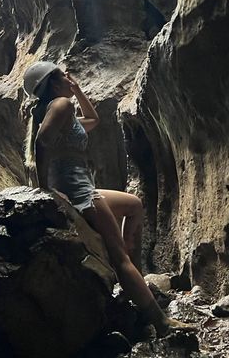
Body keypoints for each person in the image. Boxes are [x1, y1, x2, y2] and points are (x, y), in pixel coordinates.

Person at [23, 61, 194, 336]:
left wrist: (78, 91)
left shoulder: (60, 109)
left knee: (133, 205)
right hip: (78, 191)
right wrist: (45, 191)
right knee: (119, 256)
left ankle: (134, 280)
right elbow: (41, 142)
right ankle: (160, 322)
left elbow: (93, 121)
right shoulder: (60, 106)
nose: (70, 78)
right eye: (64, 77)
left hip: (81, 187)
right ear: (53, 83)